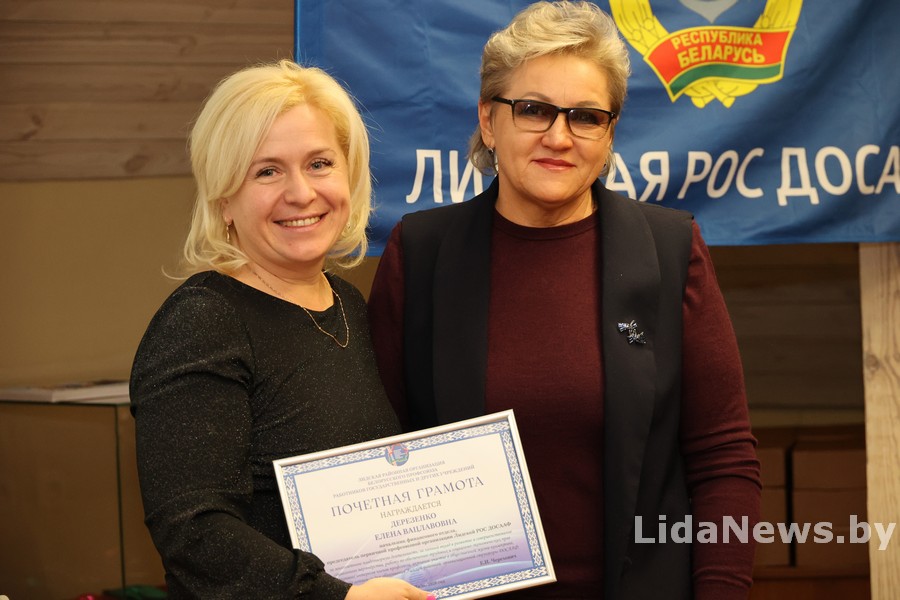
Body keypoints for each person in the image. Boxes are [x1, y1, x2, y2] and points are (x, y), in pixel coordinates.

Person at [367, 2, 761, 599]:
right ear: (488, 120)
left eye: (585, 117)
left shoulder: (670, 248)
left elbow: (723, 458)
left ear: (609, 135)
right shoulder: (421, 253)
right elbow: (378, 452)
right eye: (533, 110)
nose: (558, 136)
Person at [130, 60, 432, 600]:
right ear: (224, 198)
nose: (301, 193)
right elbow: (194, 534)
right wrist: (338, 597)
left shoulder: (347, 303)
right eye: (267, 171)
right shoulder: (203, 322)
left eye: (319, 163)